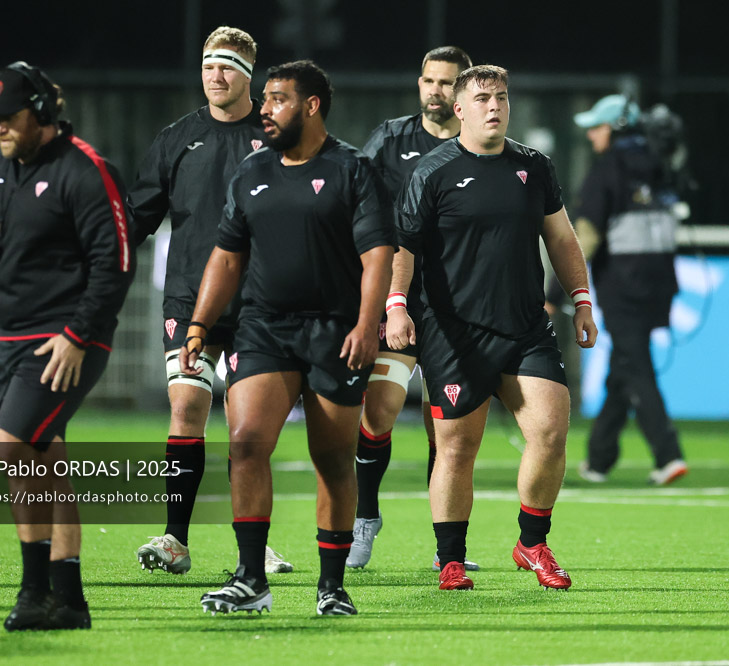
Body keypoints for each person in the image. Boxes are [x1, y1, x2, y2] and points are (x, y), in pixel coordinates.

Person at [0, 62, 134, 630]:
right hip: (8, 338)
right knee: (44, 458)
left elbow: (116, 263)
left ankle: (34, 593)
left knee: (14, 443)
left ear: (41, 113)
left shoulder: (86, 171)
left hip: (67, 340)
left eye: (9, 118)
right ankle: (70, 600)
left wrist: (78, 335)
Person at [180, 60, 395, 616]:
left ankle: (331, 586)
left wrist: (367, 325)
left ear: (312, 105)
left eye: (277, 99)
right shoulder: (251, 172)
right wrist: (200, 325)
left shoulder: (354, 170)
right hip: (264, 328)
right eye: (266, 99)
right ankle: (252, 579)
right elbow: (226, 258)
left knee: (331, 458)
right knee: (247, 441)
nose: (266, 109)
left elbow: (378, 258)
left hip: (335, 332)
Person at [391, 65, 597, 591]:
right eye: (482, 98)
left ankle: (533, 543)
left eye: (501, 97)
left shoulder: (534, 167)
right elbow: (405, 249)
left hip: (525, 327)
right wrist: (397, 306)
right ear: (459, 109)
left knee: (551, 432)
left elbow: (563, 240)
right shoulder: (432, 172)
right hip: (454, 334)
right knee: (458, 448)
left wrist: (582, 301)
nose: (494, 106)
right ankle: (451, 558)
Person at [128, 25, 293, 577]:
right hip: (189, 305)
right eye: (207, 65)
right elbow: (136, 219)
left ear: (249, 75)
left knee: (248, 430)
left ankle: (256, 543)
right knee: (186, 410)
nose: (214, 76)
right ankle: (176, 538)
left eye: (225, 67)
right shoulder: (176, 139)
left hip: (259, 306)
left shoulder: (277, 137)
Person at [348, 46, 479, 572]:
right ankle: (365, 518)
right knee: (378, 409)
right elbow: (356, 201)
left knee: (443, 430)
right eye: (428, 79)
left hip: (455, 309)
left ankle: (445, 549)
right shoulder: (391, 139)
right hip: (394, 302)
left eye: (446, 83)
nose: (434, 90)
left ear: (464, 90)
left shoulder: (482, 148)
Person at [572, 94, 687, 486]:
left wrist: (557, 291)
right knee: (623, 367)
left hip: (622, 285)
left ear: (616, 127)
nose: (590, 135)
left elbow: (585, 235)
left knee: (637, 368)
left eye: (597, 126)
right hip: (661, 284)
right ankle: (600, 459)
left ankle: (668, 454)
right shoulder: (661, 165)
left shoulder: (608, 169)